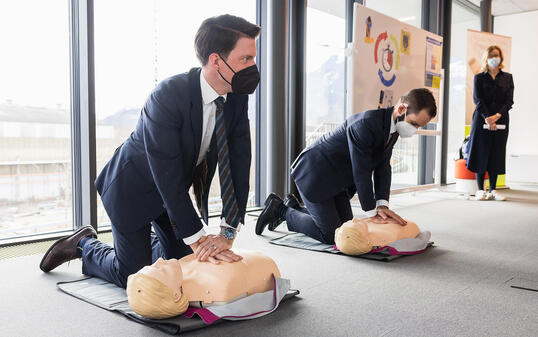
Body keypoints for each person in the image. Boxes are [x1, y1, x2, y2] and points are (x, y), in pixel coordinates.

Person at [39, 14, 261, 289]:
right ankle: (85, 244)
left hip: (171, 194)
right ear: (217, 60)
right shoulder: (167, 96)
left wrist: (227, 231)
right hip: (133, 188)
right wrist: (200, 239)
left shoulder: (236, 97)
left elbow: (239, 160)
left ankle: (151, 243)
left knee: (183, 266)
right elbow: (165, 174)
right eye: (246, 59)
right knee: (133, 277)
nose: (253, 66)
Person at [256, 88, 437, 245]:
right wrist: (371, 212)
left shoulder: (392, 130)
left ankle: (292, 206)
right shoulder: (366, 124)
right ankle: (280, 210)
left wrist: (382, 205)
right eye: (414, 123)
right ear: (401, 108)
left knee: (347, 229)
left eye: (418, 127)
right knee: (331, 235)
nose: (414, 130)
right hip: (315, 175)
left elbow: (383, 168)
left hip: (337, 181)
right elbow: (362, 171)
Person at [466, 45, 514, 201]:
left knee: (496, 152)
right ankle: (481, 189)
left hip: (501, 119)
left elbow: (509, 101)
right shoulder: (479, 78)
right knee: (481, 151)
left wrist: (497, 116)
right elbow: (477, 99)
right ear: (487, 58)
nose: (495, 58)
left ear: (501, 58)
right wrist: (487, 117)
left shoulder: (507, 77)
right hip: (481, 119)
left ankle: (493, 189)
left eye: (497, 55)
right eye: (492, 55)